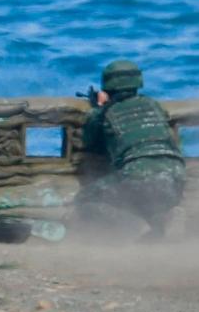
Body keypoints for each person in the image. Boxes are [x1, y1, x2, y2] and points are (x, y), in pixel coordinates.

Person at [74, 60, 185, 238]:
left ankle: (135, 226)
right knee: (149, 198)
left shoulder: (104, 113)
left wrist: (99, 108)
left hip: (137, 175)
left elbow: (91, 143)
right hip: (176, 175)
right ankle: (165, 218)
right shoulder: (153, 105)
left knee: (84, 199)